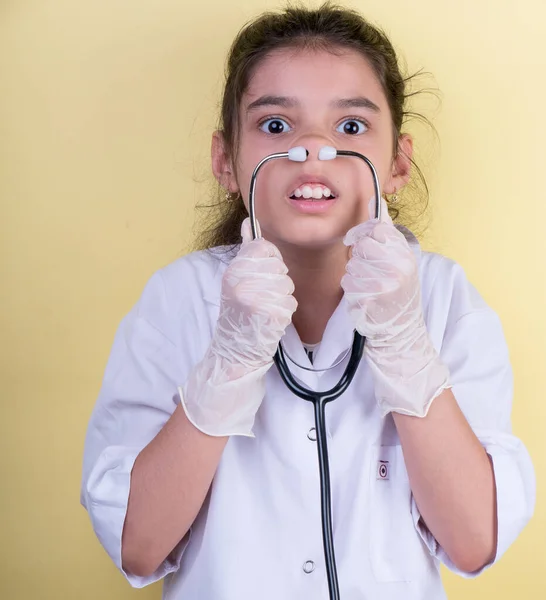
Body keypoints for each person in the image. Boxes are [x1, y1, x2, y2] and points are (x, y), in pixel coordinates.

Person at [80, 4, 535, 599]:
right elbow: (137, 544)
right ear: (226, 161)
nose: (313, 148)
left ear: (397, 162)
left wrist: (407, 348)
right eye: (275, 127)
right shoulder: (178, 300)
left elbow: (474, 541)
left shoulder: (447, 299)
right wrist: (228, 365)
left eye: (350, 127)